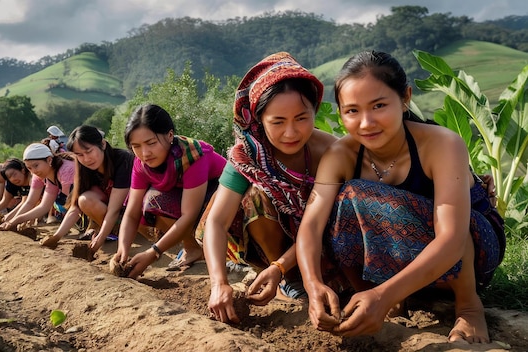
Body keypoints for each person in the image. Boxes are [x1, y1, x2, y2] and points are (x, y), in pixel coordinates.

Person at [296, 51, 505, 344]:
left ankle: (469, 307)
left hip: (472, 250)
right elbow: (312, 225)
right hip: (401, 259)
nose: (366, 123)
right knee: (339, 203)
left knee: (365, 195)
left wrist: (382, 296)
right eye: (352, 111)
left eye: (379, 105)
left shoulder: (441, 144)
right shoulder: (341, 154)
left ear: (405, 98)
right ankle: (372, 293)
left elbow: (453, 237)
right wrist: (312, 283)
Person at [200, 52, 338, 324]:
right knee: (255, 196)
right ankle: (289, 280)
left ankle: (298, 275)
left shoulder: (332, 151)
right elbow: (217, 222)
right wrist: (219, 283)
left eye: (301, 118)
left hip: (324, 239)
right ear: (259, 119)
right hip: (275, 240)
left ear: (315, 111)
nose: (291, 133)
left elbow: (320, 224)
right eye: (277, 122)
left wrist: (280, 266)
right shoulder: (249, 155)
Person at [112, 104, 227, 278]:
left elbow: (188, 215)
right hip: (189, 200)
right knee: (151, 202)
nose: (145, 153)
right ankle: (193, 249)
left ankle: (213, 249)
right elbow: (132, 212)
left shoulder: (192, 156)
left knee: (159, 201)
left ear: (170, 135)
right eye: (136, 146)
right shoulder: (141, 164)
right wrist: (122, 249)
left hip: (219, 197)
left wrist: (153, 253)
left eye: (151, 143)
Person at [40, 125, 134, 252]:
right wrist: (56, 236)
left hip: (132, 213)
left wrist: (100, 239)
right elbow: (74, 207)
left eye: (89, 151)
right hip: (113, 215)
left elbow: (114, 209)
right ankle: (112, 230)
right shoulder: (84, 167)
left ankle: (115, 231)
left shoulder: (123, 159)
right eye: (79, 155)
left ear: (103, 144)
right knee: (84, 199)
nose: (86, 159)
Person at [0, 143, 76, 231]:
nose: (34, 171)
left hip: (89, 200)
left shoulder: (66, 171)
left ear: (49, 160)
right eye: (29, 168)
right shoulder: (41, 175)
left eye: (36, 165)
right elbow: (35, 204)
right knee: (60, 203)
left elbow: (73, 206)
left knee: (62, 203)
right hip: (75, 205)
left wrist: (58, 235)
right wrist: (14, 221)